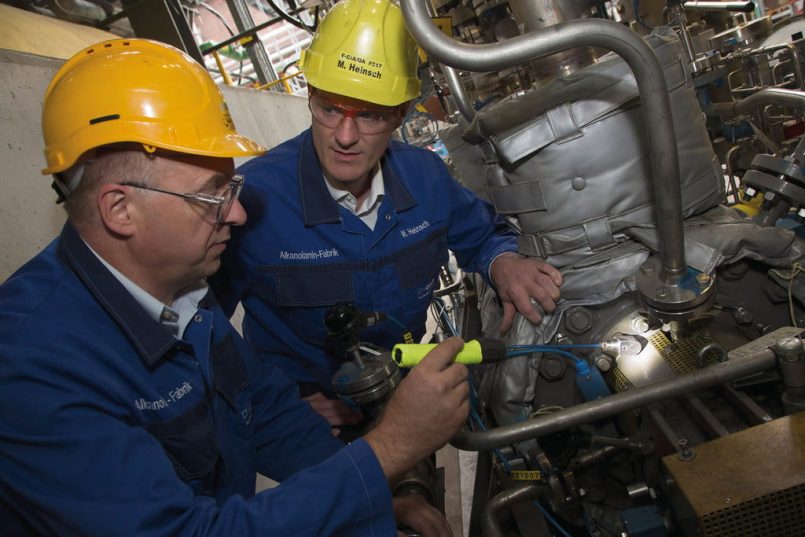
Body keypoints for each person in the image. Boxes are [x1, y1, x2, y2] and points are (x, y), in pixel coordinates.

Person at [0, 38, 469, 537]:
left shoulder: (182, 295)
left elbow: (268, 414)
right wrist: (390, 449)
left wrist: (378, 494)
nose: (239, 214)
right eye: (212, 196)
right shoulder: (31, 368)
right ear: (120, 210)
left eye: (233, 189)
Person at [212, 0, 563, 430]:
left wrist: (505, 263)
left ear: (399, 115)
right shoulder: (252, 201)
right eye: (330, 109)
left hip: (406, 396)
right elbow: (198, 323)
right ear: (309, 96)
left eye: (371, 116)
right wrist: (273, 399)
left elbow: (482, 238)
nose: (344, 136)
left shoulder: (425, 178)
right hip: (313, 421)